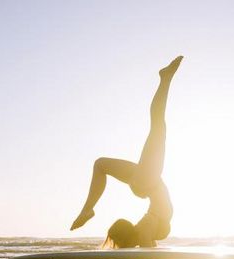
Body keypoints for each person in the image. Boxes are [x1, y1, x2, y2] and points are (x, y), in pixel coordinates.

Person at [70, 56, 183, 248]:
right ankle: (87, 209)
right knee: (102, 163)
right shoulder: (145, 229)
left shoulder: (144, 228)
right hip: (148, 183)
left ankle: (165, 79)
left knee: (157, 126)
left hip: (148, 182)